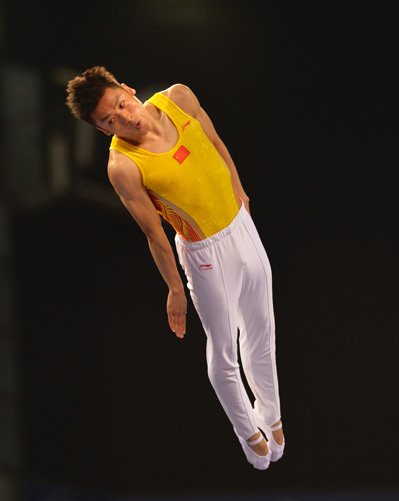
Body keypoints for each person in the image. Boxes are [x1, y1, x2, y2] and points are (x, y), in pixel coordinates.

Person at [66, 66, 284, 470]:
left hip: (240, 224)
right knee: (225, 347)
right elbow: (154, 234)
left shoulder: (179, 98)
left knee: (262, 329)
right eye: (110, 120)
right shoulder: (123, 165)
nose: (124, 118)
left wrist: (239, 191)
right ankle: (247, 431)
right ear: (101, 129)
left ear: (128, 89)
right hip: (204, 253)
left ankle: (271, 416)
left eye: (121, 104)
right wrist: (175, 289)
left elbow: (214, 142)